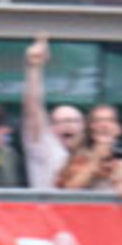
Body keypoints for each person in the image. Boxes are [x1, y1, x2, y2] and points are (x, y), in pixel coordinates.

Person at [20, 34, 85, 190]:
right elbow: (33, 107)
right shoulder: (45, 148)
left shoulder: (91, 156)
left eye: (74, 121)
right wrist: (34, 68)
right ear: (50, 128)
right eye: (62, 122)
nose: (68, 126)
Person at [55, 104, 122, 193]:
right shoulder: (77, 158)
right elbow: (69, 189)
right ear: (90, 127)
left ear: (119, 129)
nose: (103, 125)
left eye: (110, 120)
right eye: (98, 121)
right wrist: (96, 159)